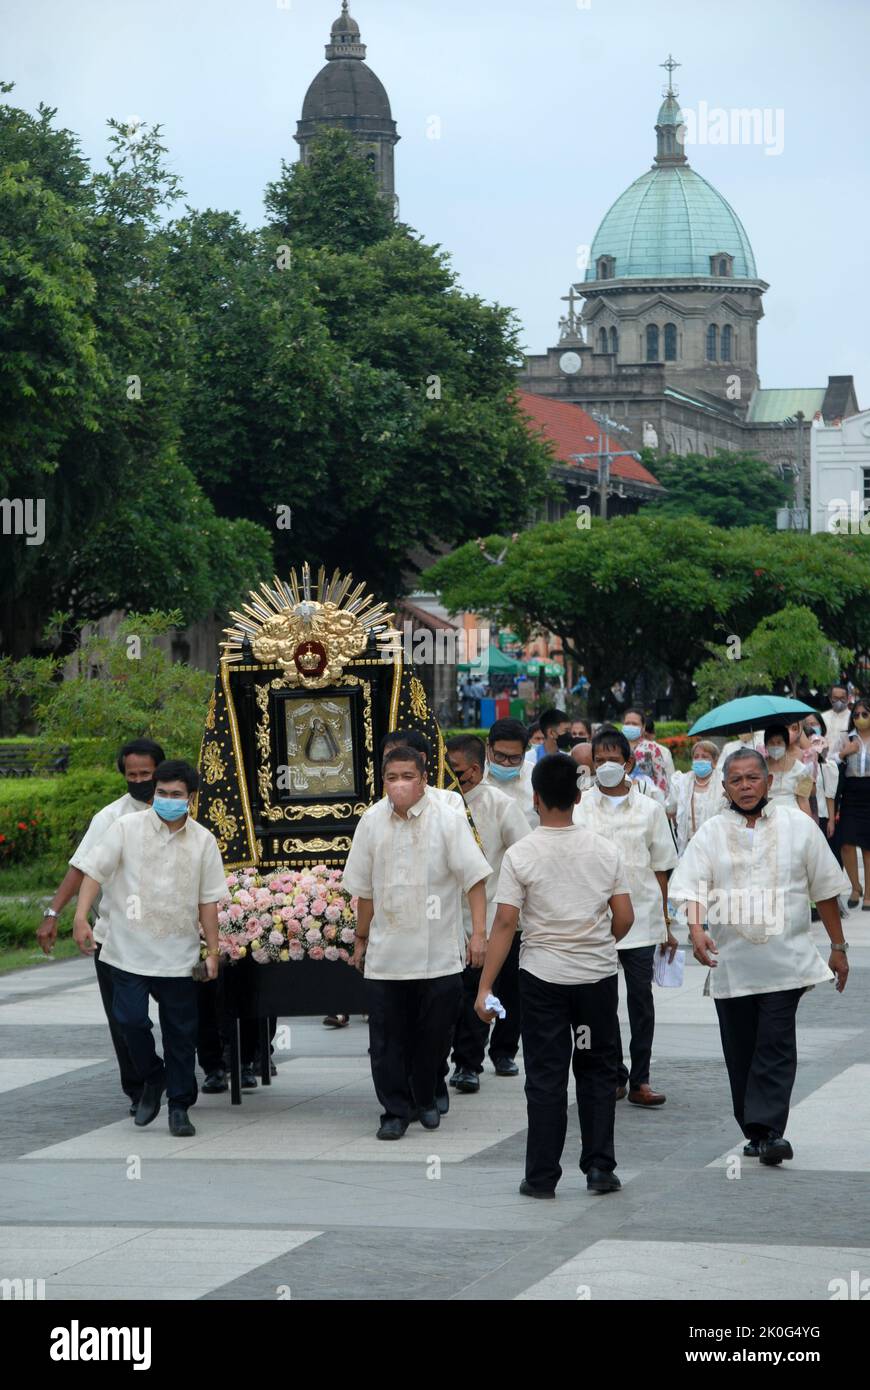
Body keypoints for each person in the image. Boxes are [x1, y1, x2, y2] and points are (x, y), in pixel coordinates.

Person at [669, 748, 850, 1164]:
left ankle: (769, 1131)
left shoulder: (798, 826)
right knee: (742, 1049)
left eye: (753, 778)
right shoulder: (712, 832)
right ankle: (754, 1129)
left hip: (787, 962)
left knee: (775, 1043)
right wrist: (696, 930)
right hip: (731, 965)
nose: (746, 786)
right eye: (737, 780)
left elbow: (824, 889)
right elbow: (690, 887)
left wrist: (838, 949)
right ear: (725, 786)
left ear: (768, 782)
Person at [475, 754, 634, 1196]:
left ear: (536, 798)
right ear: (579, 797)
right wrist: (598, 941)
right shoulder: (605, 850)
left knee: (546, 1074)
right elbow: (624, 917)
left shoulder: (521, 853)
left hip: (543, 980)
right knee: (597, 1070)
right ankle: (600, 1168)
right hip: (596, 980)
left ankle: (542, 1175)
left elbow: (505, 922)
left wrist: (485, 986)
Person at [343, 746, 491, 1140]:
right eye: (392, 777)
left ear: (424, 779)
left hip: (438, 953)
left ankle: (425, 1097)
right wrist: (361, 938)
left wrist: (479, 933)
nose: (400, 785)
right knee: (386, 1039)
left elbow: (474, 878)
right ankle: (394, 1109)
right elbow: (363, 891)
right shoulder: (371, 822)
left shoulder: (448, 818)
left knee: (434, 1034)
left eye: (408, 776)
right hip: (387, 953)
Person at [72, 760, 227, 1137]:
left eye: (176, 795)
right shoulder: (125, 828)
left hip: (178, 954)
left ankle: (179, 1107)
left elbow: (208, 902)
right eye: (162, 793)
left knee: (181, 1035)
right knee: (128, 1021)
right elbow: (94, 871)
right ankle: (152, 1077)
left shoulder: (204, 840)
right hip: (126, 950)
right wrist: (79, 918)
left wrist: (212, 950)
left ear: (191, 798)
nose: (167, 800)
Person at [37, 737, 166, 1115]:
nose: (140, 780)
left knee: (181, 1016)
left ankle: (193, 1076)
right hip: (117, 936)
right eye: (133, 775)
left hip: (172, 938)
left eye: (147, 774)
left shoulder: (185, 812)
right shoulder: (110, 818)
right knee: (125, 1020)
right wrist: (55, 913)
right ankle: (140, 1088)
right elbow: (82, 867)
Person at [574, 729, 678, 1105]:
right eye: (598, 761)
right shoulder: (580, 807)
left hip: (643, 917)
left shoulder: (649, 810)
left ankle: (641, 1080)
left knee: (640, 1001)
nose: (604, 767)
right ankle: (615, 1073)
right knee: (600, 1002)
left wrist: (668, 925)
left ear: (628, 763)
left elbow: (663, 868)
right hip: (594, 920)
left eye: (611, 760)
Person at [445, 735, 531, 1091]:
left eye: (456, 770)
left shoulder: (499, 804)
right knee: (463, 992)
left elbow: (525, 853)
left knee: (499, 987)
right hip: (451, 914)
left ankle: (487, 1056)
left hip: (497, 914)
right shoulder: (441, 803)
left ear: (476, 769)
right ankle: (466, 1061)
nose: (450, 775)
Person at [833, 697, 870, 909]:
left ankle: (868, 894)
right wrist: (845, 752)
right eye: (856, 715)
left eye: (865, 714)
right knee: (846, 843)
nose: (860, 719)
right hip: (851, 793)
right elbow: (830, 761)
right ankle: (856, 887)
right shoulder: (846, 738)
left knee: (868, 847)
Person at [670, 740, 725, 855]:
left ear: (714, 761)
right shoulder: (681, 781)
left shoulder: (723, 783)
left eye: (705, 757)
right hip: (688, 847)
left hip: (715, 847)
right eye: (696, 757)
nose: (699, 760)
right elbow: (670, 808)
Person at [483, 717, 537, 827]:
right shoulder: (473, 777)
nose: (506, 763)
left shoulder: (537, 778)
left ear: (525, 752)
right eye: (500, 756)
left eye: (514, 758)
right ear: (488, 746)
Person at [763, 723, 814, 816]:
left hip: (793, 816)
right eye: (771, 743)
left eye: (779, 742)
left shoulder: (802, 770)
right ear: (766, 745)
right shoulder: (759, 768)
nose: (775, 746)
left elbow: (803, 800)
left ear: (786, 744)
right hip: (766, 815)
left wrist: (809, 826)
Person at [621, 708, 669, 795]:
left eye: (635, 724)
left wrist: (659, 802)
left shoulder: (652, 748)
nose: (630, 726)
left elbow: (661, 779)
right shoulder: (616, 747)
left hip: (646, 799)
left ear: (643, 727)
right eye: (627, 723)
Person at [819, 683, 852, 749]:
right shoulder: (822, 717)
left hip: (845, 757)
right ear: (830, 699)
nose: (839, 701)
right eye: (835, 698)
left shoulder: (853, 718)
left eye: (842, 698)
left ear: (848, 698)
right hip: (823, 757)